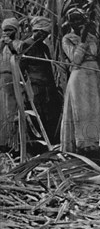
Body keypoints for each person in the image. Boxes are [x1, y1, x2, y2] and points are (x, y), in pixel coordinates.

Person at [61, 9, 100, 154]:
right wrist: (83, 41)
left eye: (79, 20)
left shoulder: (92, 37)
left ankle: (94, 144)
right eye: (73, 21)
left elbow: (95, 54)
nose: (77, 24)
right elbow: (76, 59)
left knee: (94, 109)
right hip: (79, 76)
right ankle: (82, 145)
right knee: (81, 109)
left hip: (93, 74)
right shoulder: (67, 38)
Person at [21, 16, 61, 145]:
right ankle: (39, 145)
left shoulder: (44, 48)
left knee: (51, 115)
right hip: (35, 87)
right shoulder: (26, 45)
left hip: (48, 87)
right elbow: (21, 68)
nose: (44, 36)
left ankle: (52, 142)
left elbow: (49, 68)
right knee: (38, 115)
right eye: (42, 33)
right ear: (36, 30)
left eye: (46, 34)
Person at [0, 18, 23, 151]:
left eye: (10, 30)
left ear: (15, 31)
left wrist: (9, 44)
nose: (7, 33)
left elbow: (18, 53)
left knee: (12, 110)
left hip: (14, 78)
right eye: (5, 30)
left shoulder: (19, 43)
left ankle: (13, 143)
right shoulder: (1, 43)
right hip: (1, 78)